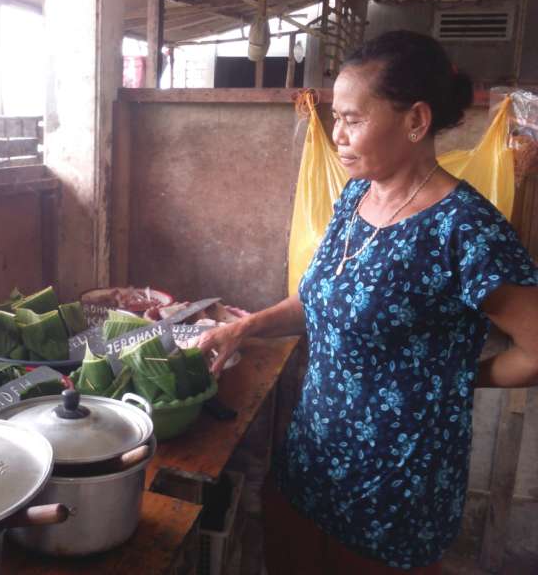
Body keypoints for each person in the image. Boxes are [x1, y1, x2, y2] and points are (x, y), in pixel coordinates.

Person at [197, 30, 538, 574]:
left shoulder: (465, 231)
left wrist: (460, 377)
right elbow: (319, 298)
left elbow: (537, 350)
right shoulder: (357, 195)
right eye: (337, 118)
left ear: (415, 121)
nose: (338, 135)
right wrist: (246, 328)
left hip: (394, 494)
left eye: (353, 120)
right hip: (312, 461)